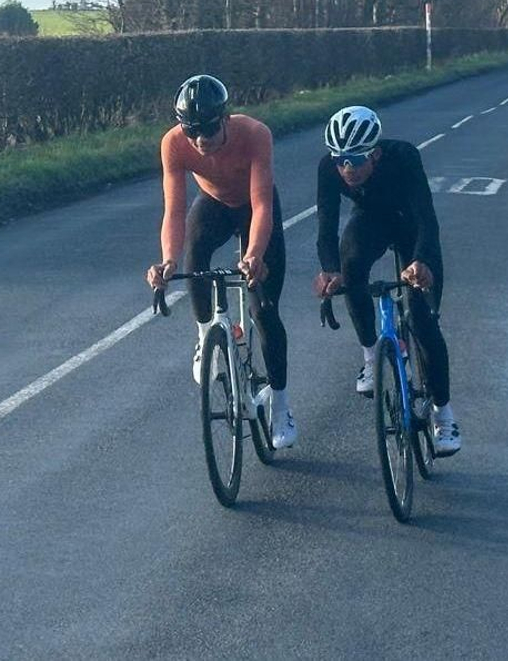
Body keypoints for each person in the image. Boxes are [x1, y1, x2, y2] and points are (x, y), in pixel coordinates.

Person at [146, 75, 295, 449]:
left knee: (264, 311)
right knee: (194, 253)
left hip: (254, 207)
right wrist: (167, 260)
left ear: (225, 118)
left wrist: (254, 254)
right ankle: (205, 337)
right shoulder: (173, 144)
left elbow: (262, 205)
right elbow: (174, 211)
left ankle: (281, 407)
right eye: (191, 130)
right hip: (213, 204)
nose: (200, 140)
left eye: (209, 129)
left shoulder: (254, 134)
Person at [311, 105, 461, 455]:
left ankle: (444, 414)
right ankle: (370, 356)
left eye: (355, 159)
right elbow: (326, 227)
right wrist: (330, 270)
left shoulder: (404, 157)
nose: (347, 169)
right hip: (371, 221)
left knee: (422, 320)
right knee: (350, 267)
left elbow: (426, 217)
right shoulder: (328, 168)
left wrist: (421, 260)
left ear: (375, 154)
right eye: (340, 160)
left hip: (411, 226)